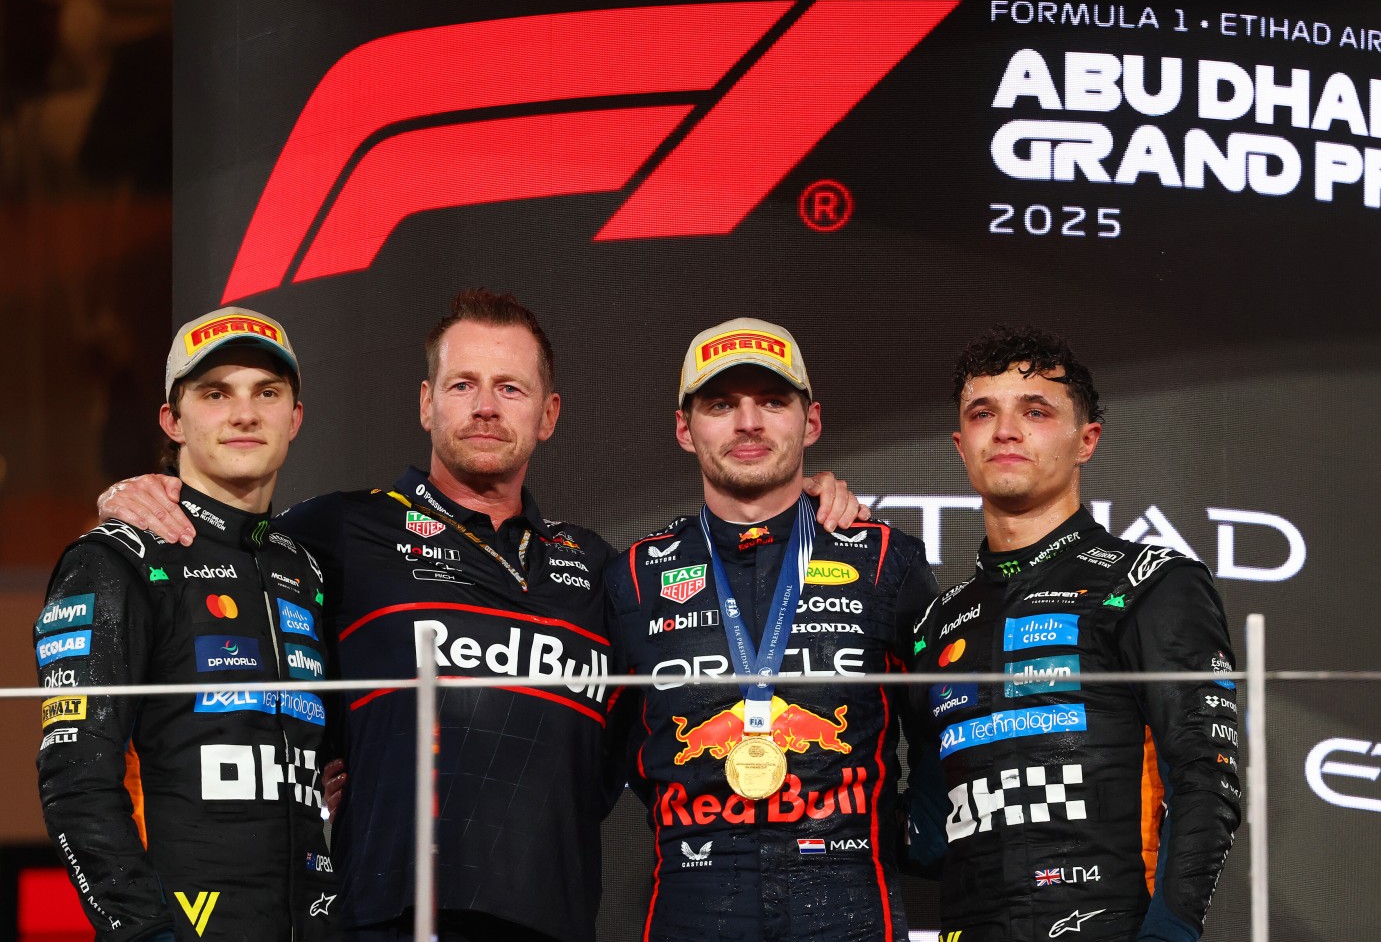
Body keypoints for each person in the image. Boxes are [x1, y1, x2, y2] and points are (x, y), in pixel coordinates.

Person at [98, 290, 865, 942]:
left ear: (550, 413)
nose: (487, 408)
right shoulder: (335, 529)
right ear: (428, 403)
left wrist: (812, 504)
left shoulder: (601, 566)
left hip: (557, 919)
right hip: (387, 918)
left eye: (512, 388)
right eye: (463, 384)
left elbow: (639, 731)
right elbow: (223, 542)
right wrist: (139, 495)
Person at [604, 318, 941, 941]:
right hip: (694, 893)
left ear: (810, 421)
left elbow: (942, 726)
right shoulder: (632, 576)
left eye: (772, 402)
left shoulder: (886, 560)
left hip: (847, 897)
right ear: (686, 428)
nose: (749, 423)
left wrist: (913, 843)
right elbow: (610, 746)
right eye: (721, 404)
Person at [908, 325, 1242, 942]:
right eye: (984, 414)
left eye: (1035, 411)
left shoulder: (1151, 580)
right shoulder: (937, 621)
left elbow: (1205, 782)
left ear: (1086, 439)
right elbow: (928, 837)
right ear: (960, 444)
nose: (1006, 430)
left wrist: (1169, 936)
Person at [36, 308, 339, 941]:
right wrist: (145, 934)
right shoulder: (115, 558)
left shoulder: (305, 565)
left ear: (296, 417)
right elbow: (75, 780)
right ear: (172, 421)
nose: (244, 413)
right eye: (215, 393)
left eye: (267, 392)